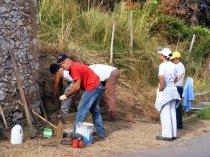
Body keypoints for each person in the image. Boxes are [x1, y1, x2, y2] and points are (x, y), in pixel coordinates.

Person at [57, 54, 106, 139]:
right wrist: (73, 95)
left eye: (63, 63)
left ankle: (76, 134)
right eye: (61, 64)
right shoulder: (74, 68)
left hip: (92, 87)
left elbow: (76, 86)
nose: (63, 65)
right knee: (94, 110)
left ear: (69, 60)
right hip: (98, 87)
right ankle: (101, 133)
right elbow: (79, 85)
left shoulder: (74, 68)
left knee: (81, 110)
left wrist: (66, 96)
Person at [155, 48, 181, 141]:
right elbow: (177, 77)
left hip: (166, 89)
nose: (160, 56)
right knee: (172, 112)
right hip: (173, 90)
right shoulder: (174, 65)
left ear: (163, 56)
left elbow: (161, 76)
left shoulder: (162, 65)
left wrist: (161, 86)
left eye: (161, 54)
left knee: (165, 112)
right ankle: (173, 134)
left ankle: (166, 135)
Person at [170, 51, 185, 129]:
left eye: (173, 59)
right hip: (178, 87)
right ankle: (177, 123)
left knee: (177, 106)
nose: (172, 61)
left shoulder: (178, 66)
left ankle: (178, 124)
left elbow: (176, 76)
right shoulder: (180, 66)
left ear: (177, 59)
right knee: (177, 105)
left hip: (177, 87)